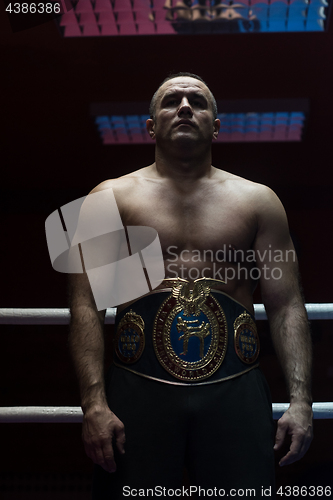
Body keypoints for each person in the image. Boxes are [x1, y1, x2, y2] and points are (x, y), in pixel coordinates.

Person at [68, 72, 313, 499]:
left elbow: (287, 304)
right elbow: (86, 305)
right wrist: (93, 404)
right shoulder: (108, 197)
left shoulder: (259, 200)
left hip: (235, 390)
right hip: (137, 389)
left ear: (216, 126)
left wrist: (301, 400)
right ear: (150, 126)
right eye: (171, 101)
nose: (184, 107)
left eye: (197, 101)